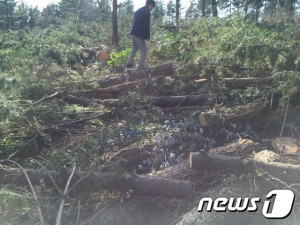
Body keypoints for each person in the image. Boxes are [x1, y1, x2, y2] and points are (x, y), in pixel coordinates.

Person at [126, 0, 156, 70]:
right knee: (144, 50)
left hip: (133, 32)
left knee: (135, 48)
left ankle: (129, 63)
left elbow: (134, 22)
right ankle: (140, 66)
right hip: (138, 34)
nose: (152, 9)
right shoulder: (147, 12)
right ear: (150, 5)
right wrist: (147, 36)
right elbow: (146, 25)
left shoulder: (138, 10)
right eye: (152, 7)